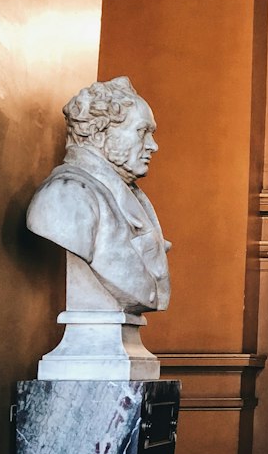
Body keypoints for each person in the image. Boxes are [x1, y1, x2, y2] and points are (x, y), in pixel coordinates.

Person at [27, 76, 171, 314]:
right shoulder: (66, 196)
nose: (152, 145)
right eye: (142, 132)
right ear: (99, 133)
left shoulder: (128, 195)